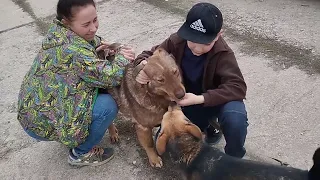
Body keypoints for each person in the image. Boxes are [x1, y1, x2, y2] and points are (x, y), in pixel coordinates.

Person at [17, 0, 135, 166]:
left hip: (33, 114)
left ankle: (71, 134)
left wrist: (102, 45)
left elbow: (89, 44)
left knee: (96, 92)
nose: (93, 28)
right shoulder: (74, 50)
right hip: (40, 124)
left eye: (95, 20)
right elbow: (112, 76)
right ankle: (80, 154)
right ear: (67, 21)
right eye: (86, 24)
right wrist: (124, 56)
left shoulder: (58, 32)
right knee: (108, 106)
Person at [135, 2, 248, 158]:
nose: (197, 49)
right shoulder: (176, 41)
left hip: (212, 101)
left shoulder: (223, 54)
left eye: (206, 43)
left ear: (218, 35)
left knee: (236, 118)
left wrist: (201, 98)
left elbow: (238, 87)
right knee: (167, 147)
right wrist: (144, 66)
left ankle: (235, 159)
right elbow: (148, 54)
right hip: (187, 101)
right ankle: (206, 127)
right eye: (192, 41)